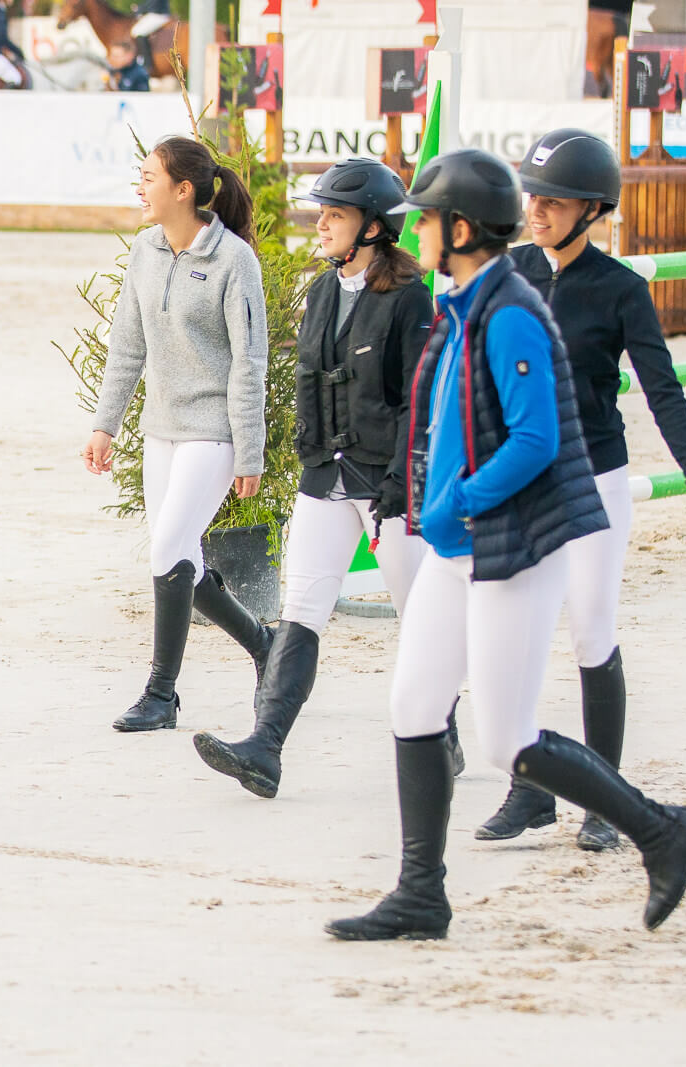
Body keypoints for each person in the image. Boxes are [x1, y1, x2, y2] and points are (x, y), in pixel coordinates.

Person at [326, 149, 686, 941]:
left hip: (511, 548)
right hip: (454, 545)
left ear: (459, 228)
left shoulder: (512, 313)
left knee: (505, 738)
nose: (415, 231)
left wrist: (457, 500)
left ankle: (663, 829)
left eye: (426, 219)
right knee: (413, 704)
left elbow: (534, 440)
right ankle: (421, 893)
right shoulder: (465, 299)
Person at [474, 129, 686, 849]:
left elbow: (662, 391)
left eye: (554, 201)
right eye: (533, 197)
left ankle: (604, 800)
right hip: (519, 481)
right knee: (525, 634)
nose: (537, 211)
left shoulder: (621, 290)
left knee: (591, 627)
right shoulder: (509, 272)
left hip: (594, 478)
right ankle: (530, 792)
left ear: (592, 209)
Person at [192, 157, 446, 798]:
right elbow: (309, 382)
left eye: (336, 214)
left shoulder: (410, 298)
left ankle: (442, 728)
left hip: (388, 485)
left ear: (373, 227)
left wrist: (400, 482)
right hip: (325, 478)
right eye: (323, 212)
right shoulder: (324, 290)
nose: (323, 223)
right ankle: (265, 748)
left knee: (421, 613)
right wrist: (307, 457)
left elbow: (421, 398)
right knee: (300, 611)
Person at [83, 136, 272, 733]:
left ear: (183, 190)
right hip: (161, 430)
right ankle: (265, 645)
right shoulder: (144, 250)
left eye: (148, 177)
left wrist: (250, 448)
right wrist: (105, 424)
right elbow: (128, 345)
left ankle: (161, 694)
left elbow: (250, 360)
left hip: (212, 432)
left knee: (168, 553)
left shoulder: (234, 260)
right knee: (180, 556)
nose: (139, 187)